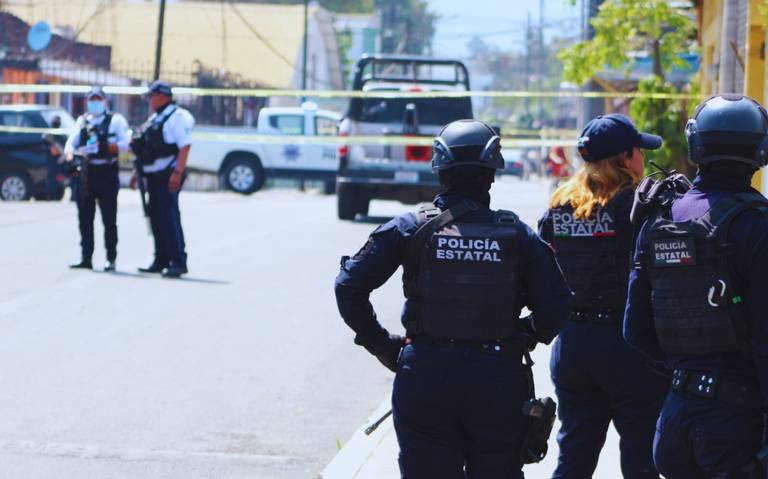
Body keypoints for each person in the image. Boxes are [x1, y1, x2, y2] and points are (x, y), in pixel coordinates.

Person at [335, 119, 572, 478]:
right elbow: (556, 308)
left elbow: (348, 286)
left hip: (426, 376)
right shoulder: (517, 234)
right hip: (497, 380)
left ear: (440, 169)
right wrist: (522, 335)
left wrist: (383, 346)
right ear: (491, 173)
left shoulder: (409, 227)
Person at [624, 94, 768, 478]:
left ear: (695, 144)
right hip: (736, 426)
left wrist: (686, 371)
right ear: (760, 148)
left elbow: (635, 330)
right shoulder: (758, 225)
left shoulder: (660, 219)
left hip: (674, 421)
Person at [538, 114, 669, 479]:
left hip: (573, 346)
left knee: (574, 458)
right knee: (642, 459)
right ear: (626, 158)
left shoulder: (557, 207)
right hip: (630, 346)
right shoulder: (640, 206)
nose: (643, 158)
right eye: (639, 151)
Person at [130, 80, 194, 279]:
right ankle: (161, 260)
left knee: (169, 218)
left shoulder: (177, 118)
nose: (150, 100)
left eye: (152, 96)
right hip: (152, 176)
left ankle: (178, 261)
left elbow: (185, 146)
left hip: (168, 175)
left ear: (163, 96)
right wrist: (136, 173)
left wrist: (177, 173)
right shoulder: (156, 118)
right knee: (156, 217)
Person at [64, 86, 130, 271]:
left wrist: (108, 146)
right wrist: (70, 157)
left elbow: (126, 144)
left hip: (107, 172)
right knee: (85, 218)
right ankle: (86, 258)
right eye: (91, 99)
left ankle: (111, 258)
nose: (94, 102)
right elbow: (71, 143)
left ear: (104, 101)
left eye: (97, 99)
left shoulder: (116, 120)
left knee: (109, 219)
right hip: (87, 173)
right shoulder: (83, 121)